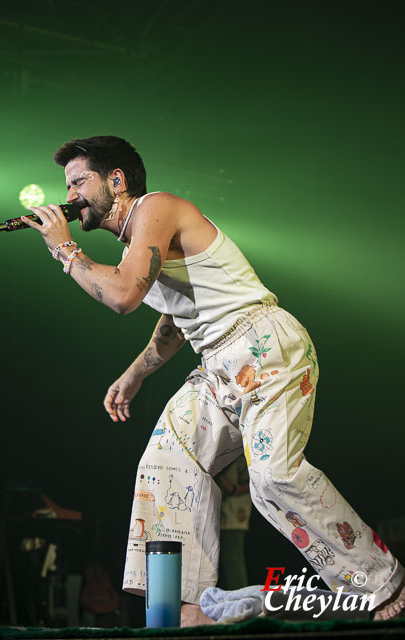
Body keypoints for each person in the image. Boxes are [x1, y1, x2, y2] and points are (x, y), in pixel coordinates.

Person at [22, 135, 405, 626]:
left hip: (264, 346)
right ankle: (187, 608)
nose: (69, 195)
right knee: (165, 461)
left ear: (116, 181)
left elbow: (122, 296)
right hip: (217, 365)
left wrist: (65, 250)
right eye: (67, 185)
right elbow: (176, 318)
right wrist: (134, 374)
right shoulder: (140, 240)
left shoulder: (154, 208)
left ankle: (381, 582)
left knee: (274, 479)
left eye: (79, 182)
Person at [215, 455, 252, 591]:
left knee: (233, 563)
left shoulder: (243, 454)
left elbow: (254, 481)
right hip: (218, 515)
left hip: (234, 516)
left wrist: (233, 489)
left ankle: (240, 603)